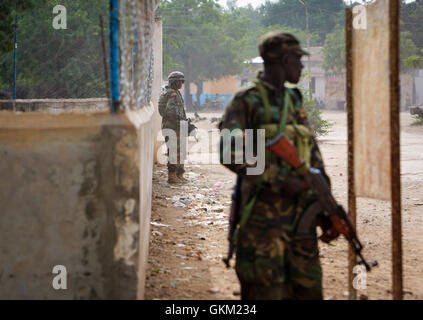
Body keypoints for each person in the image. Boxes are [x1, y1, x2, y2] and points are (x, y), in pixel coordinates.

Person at [219, 31, 338, 300]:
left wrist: (325, 204)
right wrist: (279, 179)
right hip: (263, 225)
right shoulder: (246, 100)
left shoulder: (294, 100)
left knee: (308, 291)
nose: (302, 65)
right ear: (283, 60)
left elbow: (311, 152)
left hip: (302, 223)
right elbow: (231, 151)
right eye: (298, 59)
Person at [158, 71, 188, 184]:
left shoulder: (175, 93)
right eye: (179, 81)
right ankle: (172, 176)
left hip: (177, 127)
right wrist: (180, 121)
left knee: (180, 151)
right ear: (173, 82)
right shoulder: (172, 94)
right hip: (172, 127)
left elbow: (178, 111)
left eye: (181, 81)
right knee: (174, 151)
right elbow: (171, 112)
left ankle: (179, 174)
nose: (181, 83)